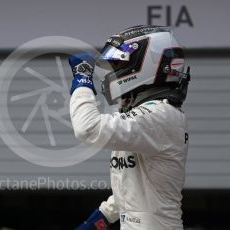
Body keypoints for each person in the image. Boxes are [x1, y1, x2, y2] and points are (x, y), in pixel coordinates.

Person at [69, 25, 191, 230]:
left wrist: (82, 79)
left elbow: (87, 129)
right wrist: (96, 222)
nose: (114, 73)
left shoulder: (161, 116)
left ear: (148, 64)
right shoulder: (151, 117)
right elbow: (131, 190)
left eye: (119, 65)